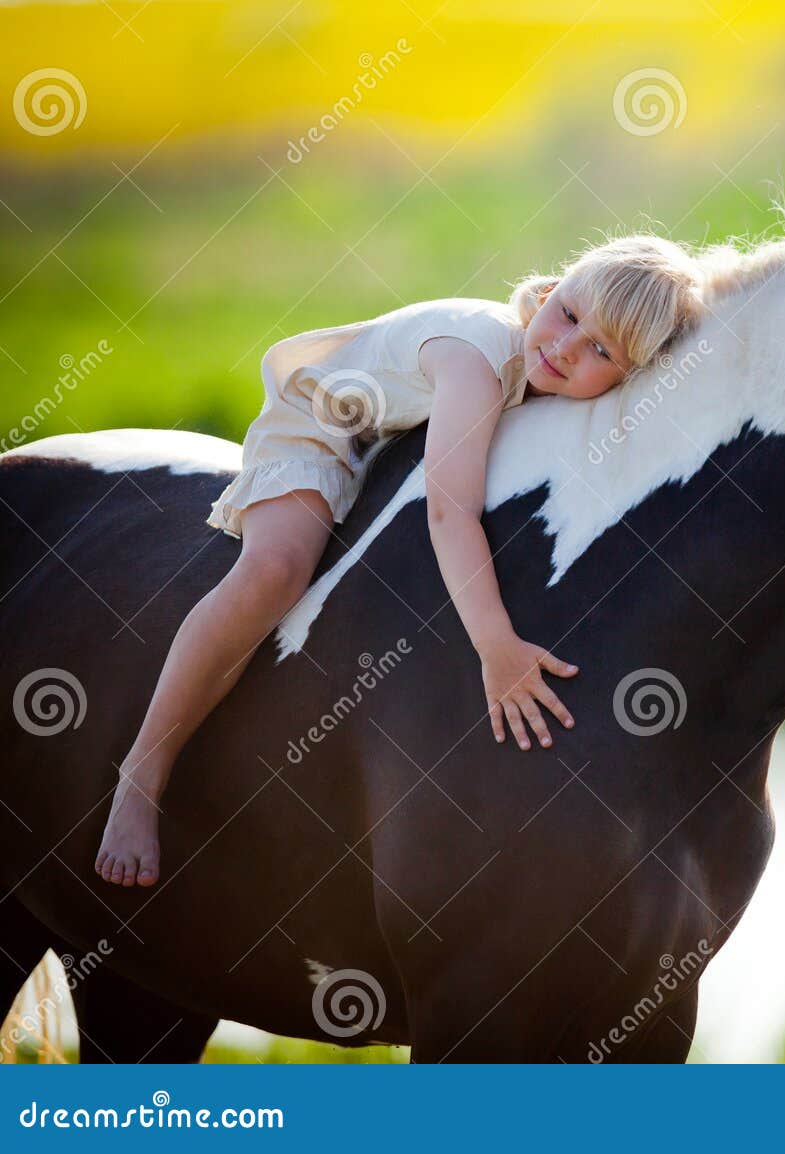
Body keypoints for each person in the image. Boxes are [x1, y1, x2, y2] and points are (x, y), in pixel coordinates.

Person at [94, 235, 705, 887]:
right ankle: (140, 776)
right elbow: (450, 513)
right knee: (276, 571)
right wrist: (494, 644)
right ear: (550, 293)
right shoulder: (476, 363)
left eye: (601, 351)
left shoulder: (545, 372)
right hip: (322, 431)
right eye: (570, 317)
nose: (564, 348)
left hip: (391, 452)